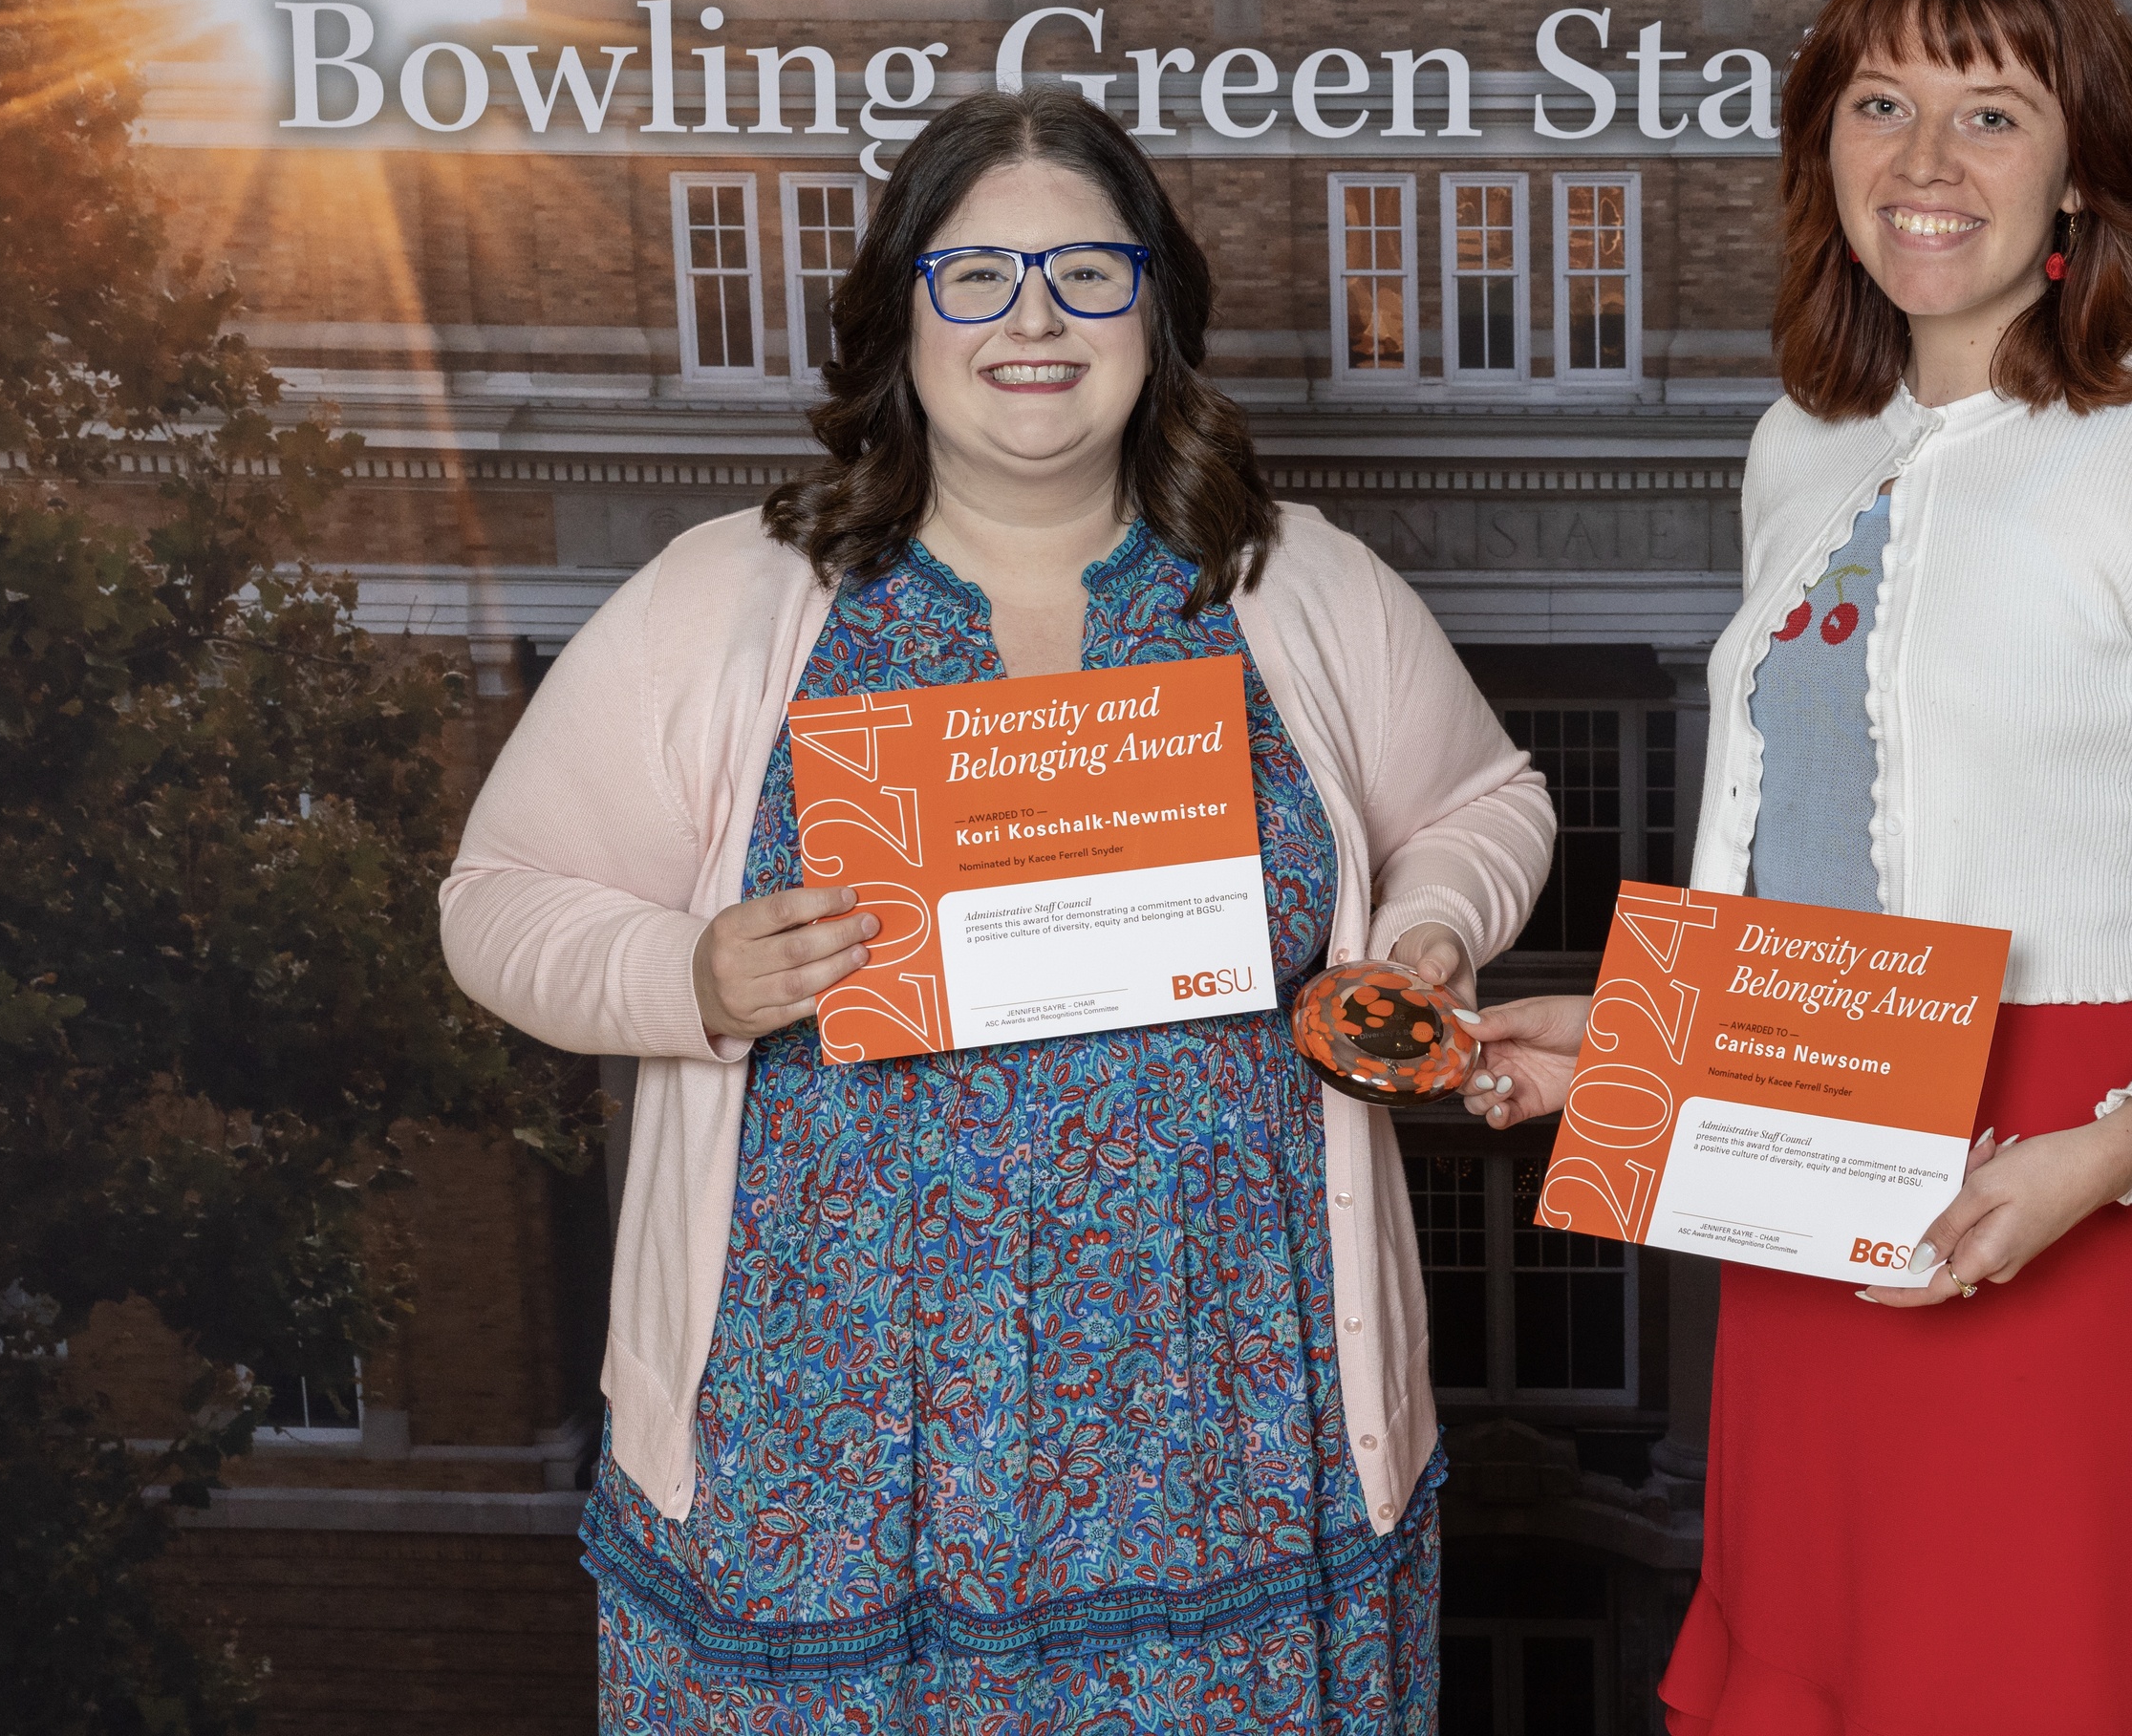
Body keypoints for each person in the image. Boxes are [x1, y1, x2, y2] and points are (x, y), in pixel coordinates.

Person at [440, 94, 1553, 1732]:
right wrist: (683, 975)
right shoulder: (728, 596)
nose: (1033, 318)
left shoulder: (1293, 583)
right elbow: (497, 901)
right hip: (826, 1436)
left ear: (1154, 309)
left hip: (1232, 1417)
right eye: (974, 276)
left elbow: (1486, 802)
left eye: (1088, 275)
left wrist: (1430, 930)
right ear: (899, 310)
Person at [1458, 0, 2132, 1736]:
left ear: (2083, 171)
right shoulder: (1802, 441)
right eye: (1880, 102)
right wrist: (1633, 1047)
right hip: (1808, 1181)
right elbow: (1821, 880)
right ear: (1823, 147)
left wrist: (2105, 1158)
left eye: (1991, 113)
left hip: (2058, 1183)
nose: (1925, 164)